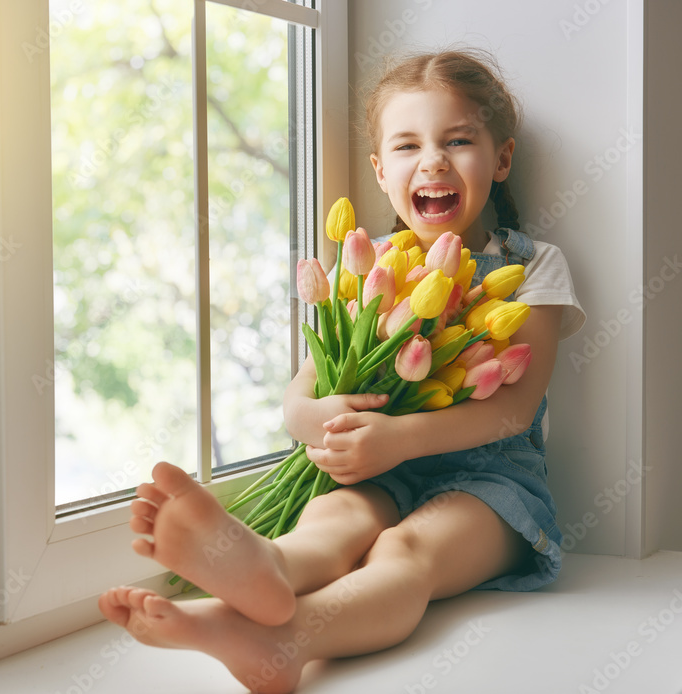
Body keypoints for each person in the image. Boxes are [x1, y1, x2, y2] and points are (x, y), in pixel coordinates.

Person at [98, 48, 586, 693]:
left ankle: (285, 639)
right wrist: (313, 421)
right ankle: (264, 570)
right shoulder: (370, 263)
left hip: (493, 485)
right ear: (382, 173)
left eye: (458, 140)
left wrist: (399, 438)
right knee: (329, 525)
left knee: (402, 553)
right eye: (408, 146)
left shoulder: (529, 265)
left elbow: (512, 410)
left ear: (501, 159)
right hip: (377, 468)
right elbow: (304, 389)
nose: (433, 160)